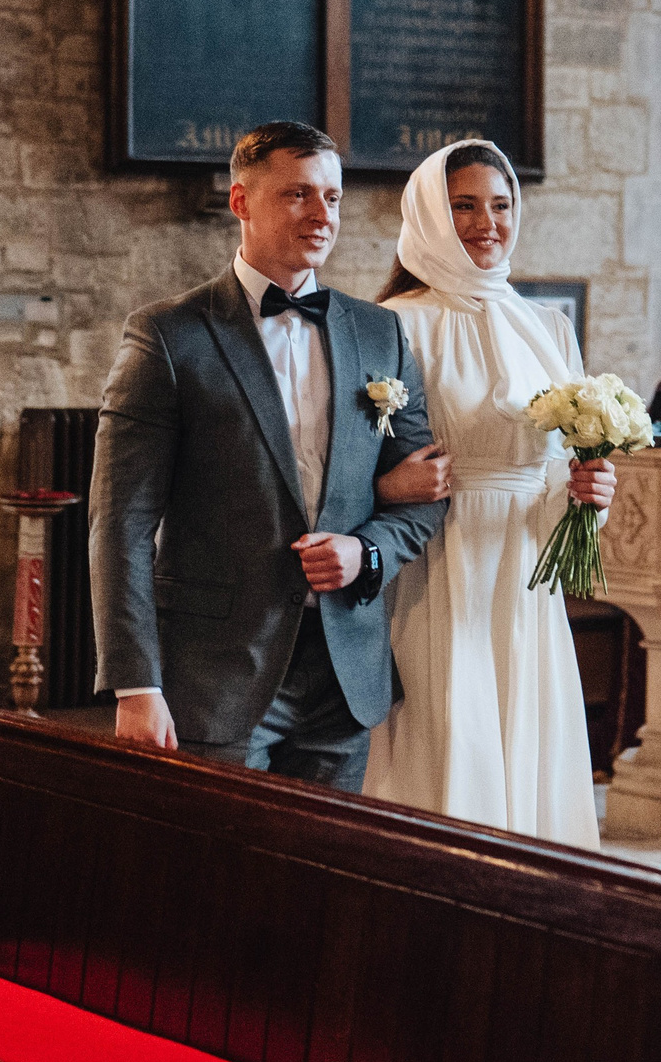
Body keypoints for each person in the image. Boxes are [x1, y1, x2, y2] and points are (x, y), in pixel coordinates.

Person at [90, 120, 445, 788]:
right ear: (241, 202)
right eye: (298, 195)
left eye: (332, 198)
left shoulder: (380, 333)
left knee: (322, 882)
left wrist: (365, 551)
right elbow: (120, 523)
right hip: (216, 673)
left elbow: (428, 491)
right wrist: (135, 684)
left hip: (345, 673)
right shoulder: (168, 336)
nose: (321, 215)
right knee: (220, 879)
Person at [361, 140, 615, 847]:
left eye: (500, 205)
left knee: (527, 741)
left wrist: (589, 492)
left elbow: (557, 468)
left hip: (526, 576)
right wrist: (389, 482)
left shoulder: (548, 328)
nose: (486, 222)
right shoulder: (397, 323)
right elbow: (347, 466)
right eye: (464, 205)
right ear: (431, 213)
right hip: (437, 564)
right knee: (448, 740)